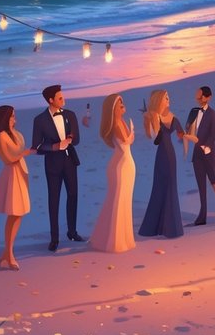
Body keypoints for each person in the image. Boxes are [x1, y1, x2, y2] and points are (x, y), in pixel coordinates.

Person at [31, 85, 84, 252]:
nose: (64, 100)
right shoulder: (39, 120)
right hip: (52, 164)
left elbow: (76, 138)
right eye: (60, 98)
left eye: (63, 97)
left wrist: (69, 139)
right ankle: (54, 238)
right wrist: (55, 146)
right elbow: (37, 146)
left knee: (73, 195)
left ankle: (72, 231)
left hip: (69, 161)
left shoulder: (70, 115)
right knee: (53, 200)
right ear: (51, 100)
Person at [139, 89, 194, 239]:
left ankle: (171, 228)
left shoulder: (172, 117)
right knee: (158, 187)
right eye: (165, 97)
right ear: (159, 100)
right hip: (161, 155)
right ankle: (152, 227)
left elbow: (182, 135)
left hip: (170, 155)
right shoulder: (154, 117)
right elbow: (153, 138)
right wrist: (151, 119)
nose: (168, 99)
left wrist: (189, 142)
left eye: (168, 97)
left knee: (170, 187)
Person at [91, 93, 137, 253]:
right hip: (120, 166)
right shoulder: (117, 124)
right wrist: (131, 134)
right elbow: (126, 140)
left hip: (126, 163)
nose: (123, 105)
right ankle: (114, 240)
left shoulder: (121, 121)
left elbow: (127, 140)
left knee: (123, 200)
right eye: (119, 103)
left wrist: (130, 134)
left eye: (122, 102)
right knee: (117, 200)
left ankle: (119, 237)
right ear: (113, 108)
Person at [0, 105, 35, 270]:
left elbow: (20, 146)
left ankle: (7, 253)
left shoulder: (14, 134)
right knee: (14, 212)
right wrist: (24, 153)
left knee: (19, 213)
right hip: (12, 174)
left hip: (20, 171)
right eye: (11, 117)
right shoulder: (1, 136)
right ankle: (9, 254)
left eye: (14, 116)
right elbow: (8, 157)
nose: (14, 120)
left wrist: (23, 153)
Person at [187, 86, 215, 226]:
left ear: (208, 97)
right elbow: (189, 129)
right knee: (201, 186)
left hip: (208, 153)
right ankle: (202, 215)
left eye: (201, 97)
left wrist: (207, 145)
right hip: (197, 154)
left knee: (214, 182)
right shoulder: (193, 112)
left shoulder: (212, 114)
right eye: (197, 97)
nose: (198, 99)